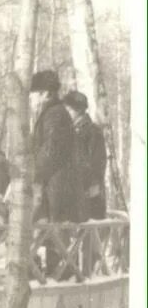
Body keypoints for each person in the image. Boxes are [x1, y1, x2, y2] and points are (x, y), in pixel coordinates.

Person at [29, 70, 82, 279]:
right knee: (50, 231)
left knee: (56, 231)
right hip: (53, 185)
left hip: (56, 186)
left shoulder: (55, 114)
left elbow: (51, 150)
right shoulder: (53, 112)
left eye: (33, 94)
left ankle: (60, 275)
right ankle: (53, 273)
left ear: (45, 93)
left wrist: (34, 174)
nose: (31, 99)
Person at [63, 90, 106, 221]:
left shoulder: (92, 131)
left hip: (88, 192)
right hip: (72, 191)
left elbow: (97, 162)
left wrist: (92, 186)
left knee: (91, 233)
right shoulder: (69, 131)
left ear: (77, 110)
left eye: (67, 110)